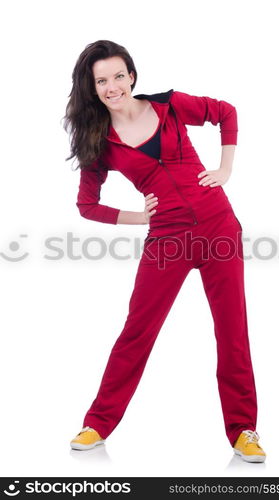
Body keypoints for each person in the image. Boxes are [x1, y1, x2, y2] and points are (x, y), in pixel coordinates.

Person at [63, 40, 266, 463]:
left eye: (119, 75)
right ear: (93, 88)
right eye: (102, 81)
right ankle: (98, 423)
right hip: (167, 241)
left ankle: (244, 430)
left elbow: (225, 112)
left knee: (232, 330)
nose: (112, 86)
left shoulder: (171, 107)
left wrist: (225, 169)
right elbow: (87, 205)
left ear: (132, 75)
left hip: (218, 228)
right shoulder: (100, 142)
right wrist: (140, 218)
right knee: (137, 330)